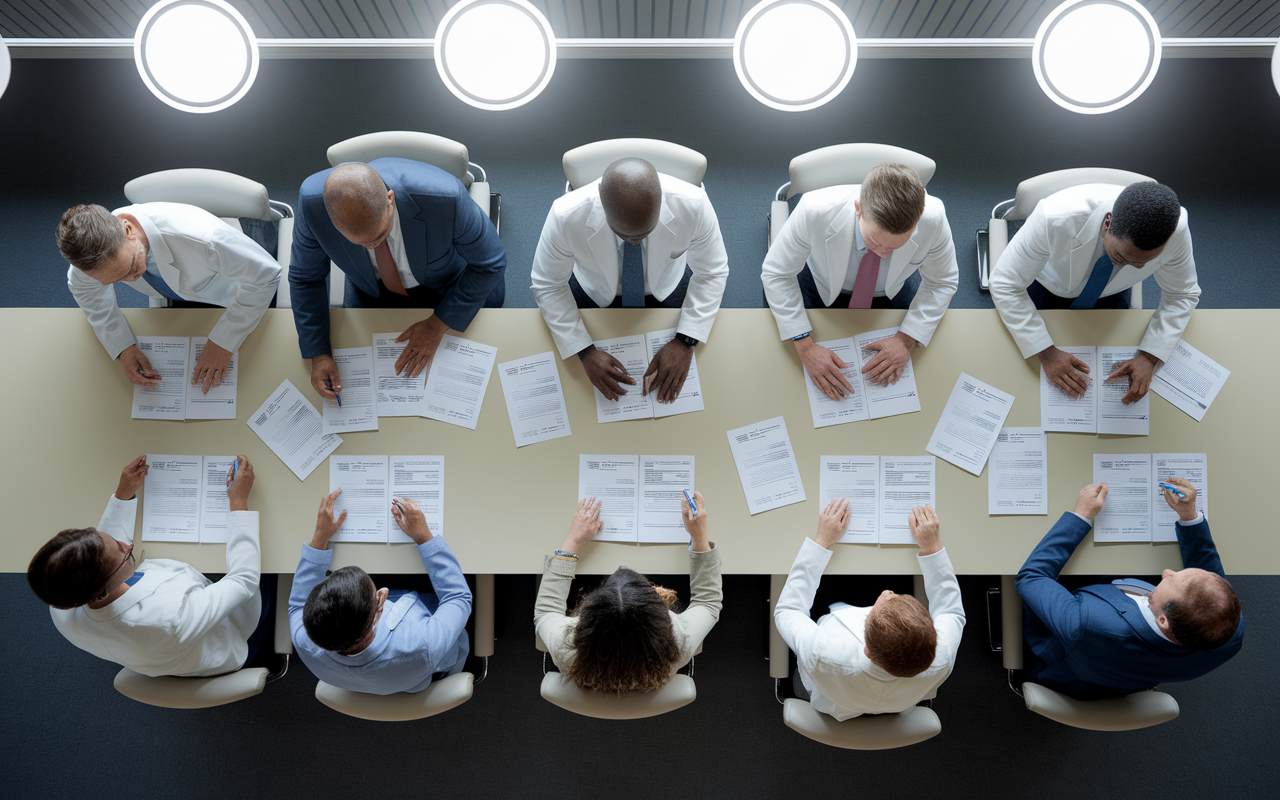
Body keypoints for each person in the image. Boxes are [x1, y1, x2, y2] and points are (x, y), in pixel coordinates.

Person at [290, 159, 507, 403]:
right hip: (371, 290)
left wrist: (438, 324)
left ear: (390, 199)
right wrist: (318, 354)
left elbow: (491, 263)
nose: (372, 246)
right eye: (360, 243)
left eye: (380, 235)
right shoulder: (313, 203)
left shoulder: (446, 197)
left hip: (447, 285)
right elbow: (305, 278)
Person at [28, 455, 266, 677]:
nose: (125, 545)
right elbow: (243, 580)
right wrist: (238, 501)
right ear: (105, 588)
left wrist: (123, 495)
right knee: (270, 571)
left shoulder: (61, 598)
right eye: (124, 554)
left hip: (159, 649)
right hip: (226, 641)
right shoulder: (169, 618)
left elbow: (101, 557)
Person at [1016, 478, 1243, 700]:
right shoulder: (1228, 634)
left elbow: (1031, 577)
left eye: (1172, 580)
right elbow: (1209, 583)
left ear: (1163, 620)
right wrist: (1189, 517)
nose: (1167, 572)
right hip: (1131, 669)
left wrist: (1080, 515)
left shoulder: (1087, 623)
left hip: (1076, 658)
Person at [530, 157, 729, 405]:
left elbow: (712, 272)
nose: (634, 241)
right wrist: (583, 350)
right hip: (593, 289)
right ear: (601, 199)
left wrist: (686, 340)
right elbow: (547, 283)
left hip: (666, 285)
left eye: (644, 232)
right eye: (624, 234)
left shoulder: (694, 205)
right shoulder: (565, 215)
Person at [762, 161, 959, 401]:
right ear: (858, 210)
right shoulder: (814, 210)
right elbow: (777, 273)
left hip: (891, 289)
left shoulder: (934, 217)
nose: (884, 253)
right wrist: (804, 346)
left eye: (897, 245)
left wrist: (906, 339)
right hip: (820, 284)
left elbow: (942, 281)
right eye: (876, 242)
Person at [990, 181, 1198, 405]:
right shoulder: (1054, 218)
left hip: (1113, 290)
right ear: (1107, 224)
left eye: (1145, 262)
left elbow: (1182, 294)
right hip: (1050, 282)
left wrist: (1149, 357)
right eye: (1122, 258)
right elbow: (1005, 283)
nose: (1138, 269)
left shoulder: (1176, 230)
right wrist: (1046, 352)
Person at [58, 202, 280, 394]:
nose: (132, 279)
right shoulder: (92, 256)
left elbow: (267, 276)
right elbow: (85, 290)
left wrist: (224, 341)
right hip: (183, 290)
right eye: (116, 280)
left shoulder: (204, 238)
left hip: (234, 280)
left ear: (128, 230)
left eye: (131, 267)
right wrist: (122, 346)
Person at [774, 501, 965, 719]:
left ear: (868, 651)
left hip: (832, 695)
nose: (886, 592)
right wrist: (932, 548)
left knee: (800, 681)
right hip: (900, 702)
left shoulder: (823, 652)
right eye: (896, 598)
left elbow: (788, 610)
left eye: (877, 607)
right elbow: (951, 611)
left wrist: (821, 542)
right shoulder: (942, 656)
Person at [534, 492, 721, 694]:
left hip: (585, 672)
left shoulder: (566, 649)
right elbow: (708, 603)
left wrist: (573, 540)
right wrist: (699, 536)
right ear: (659, 617)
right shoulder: (679, 641)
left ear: (586, 619)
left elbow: (546, 612)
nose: (622, 566)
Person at [289, 491, 471, 695]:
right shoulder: (423, 643)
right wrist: (423, 537)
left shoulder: (304, 639)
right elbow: (458, 597)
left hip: (371, 679)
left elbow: (297, 604)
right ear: (381, 599)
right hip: (421, 670)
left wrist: (320, 536)